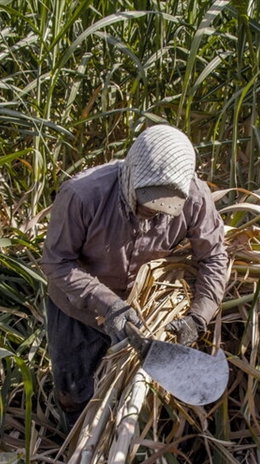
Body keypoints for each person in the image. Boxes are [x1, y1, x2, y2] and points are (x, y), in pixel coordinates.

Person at [40, 124, 229, 427]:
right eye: (145, 203)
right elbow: (56, 263)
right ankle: (73, 442)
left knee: (130, 394)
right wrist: (107, 304)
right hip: (77, 308)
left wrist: (199, 316)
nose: (151, 213)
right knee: (74, 390)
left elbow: (214, 256)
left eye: (162, 208)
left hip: (142, 310)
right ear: (131, 175)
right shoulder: (83, 194)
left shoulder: (194, 197)